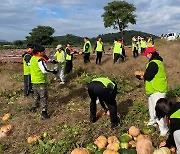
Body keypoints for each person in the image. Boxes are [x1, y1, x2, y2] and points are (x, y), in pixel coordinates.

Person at [139, 47, 169, 136]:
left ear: (151, 54)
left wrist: (142, 76)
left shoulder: (154, 63)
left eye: (147, 55)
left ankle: (164, 129)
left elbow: (148, 76)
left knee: (159, 110)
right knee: (152, 108)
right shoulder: (156, 62)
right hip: (153, 90)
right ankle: (153, 121)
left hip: (158, 90)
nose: (146, 57)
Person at [30, 44, 57, 120]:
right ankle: (44, 113)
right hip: (40, 80)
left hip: (34, 80)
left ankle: (33, 108)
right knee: (44, 97)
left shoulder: (32, 58)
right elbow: (44, 70)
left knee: (36, 95)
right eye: (43, 51)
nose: (44, 52)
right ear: (39, 52)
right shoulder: (39, 60)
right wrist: (53, 71)